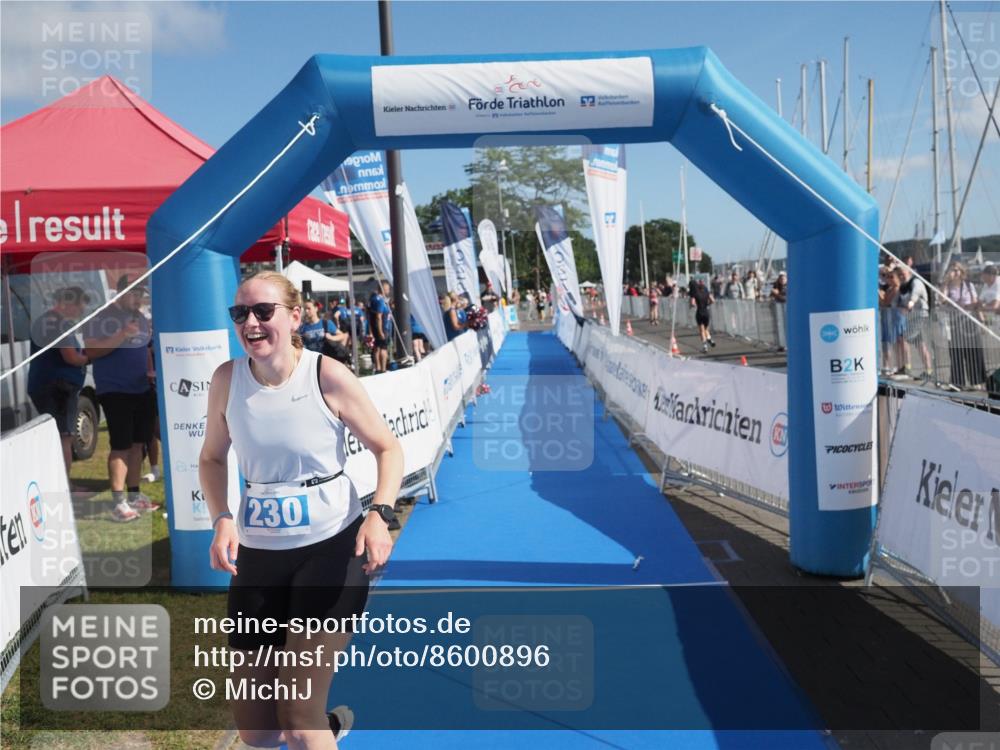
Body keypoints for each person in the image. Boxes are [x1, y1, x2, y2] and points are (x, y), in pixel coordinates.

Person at [201, 271, 403, 748]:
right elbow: (211, 458)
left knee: (297, 715)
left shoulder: (326, 375)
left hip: (330, 551)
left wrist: (380, 514)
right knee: (257, 730)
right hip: (258, 558)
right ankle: (326, 729)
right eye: (240, 313)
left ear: (294, 317)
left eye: (262, 311)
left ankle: (314, 728)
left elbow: (388, 448)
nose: (250, 322)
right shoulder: (226, 379)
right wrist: (221, 518)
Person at [83, 274, 160, 521]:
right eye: (133, 293)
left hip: (142, 388)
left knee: (138, 444)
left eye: (141, 294)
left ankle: (134, 495)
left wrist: (150, 370)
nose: (138, 299)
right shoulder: (102, 317)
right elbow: (91, 350)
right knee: (121, 446)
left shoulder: (141, 318)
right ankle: (118, 503)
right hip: (115, 391)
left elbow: (146, 348)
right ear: (120, 292)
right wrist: (122, 335)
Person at [28, 286, 92, 478]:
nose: (80, 313)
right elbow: (70, 357)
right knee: (64, 436)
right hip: (58, 389)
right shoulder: (57, 323)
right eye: (79, 308)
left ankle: (61, 482)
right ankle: (65, 486)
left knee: (59, 435)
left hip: (50, 386)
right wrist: (90, 358)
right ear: (68, 303)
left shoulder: (48, 321)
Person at [943, 262, 986, 389]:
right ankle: (958, 382)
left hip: (969, 320)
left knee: (973, 351)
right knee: (956, 352)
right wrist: (946, 282)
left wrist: (982, 321)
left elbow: (975, 304)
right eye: (952, 270)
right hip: (954, 322)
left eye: (957, 270)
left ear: (962, 272)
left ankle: (976, 381)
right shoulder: (947, 286)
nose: (955, 273)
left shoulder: (968, 285)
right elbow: (941, 299)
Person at [894, 265, 933, 380]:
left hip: (920, 315)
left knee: (903, 338)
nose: (901, 275)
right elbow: (897, 301)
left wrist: (909, 305)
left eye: (903, 273)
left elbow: (914, 296)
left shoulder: (916, 282)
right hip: (911, 317)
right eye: (899, 274)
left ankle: (907, 368)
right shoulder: (902, 286)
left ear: (909, 271)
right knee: (920, 344)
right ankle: (928, 371)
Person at [368, 281, 393, 373]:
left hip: (378, 327)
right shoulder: (380, 300)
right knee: (383, 348)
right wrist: (380, 331)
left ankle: (378, 368)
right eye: (388, 289)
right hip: (382, 327)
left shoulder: (374, 299)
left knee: (377, 347)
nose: (389, 291)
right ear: (383, 289)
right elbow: (378, 316)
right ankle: (383, 369)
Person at [690, 278, 716, 352]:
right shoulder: (706, 291)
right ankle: (709, 339)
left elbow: (692, 303)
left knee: (702, 330)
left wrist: (694, 305)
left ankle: (705, 346)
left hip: (699, 312)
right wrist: (707, 304)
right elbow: (713, 300)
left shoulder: (695, 292)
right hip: (706, 311)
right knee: (706, 328)